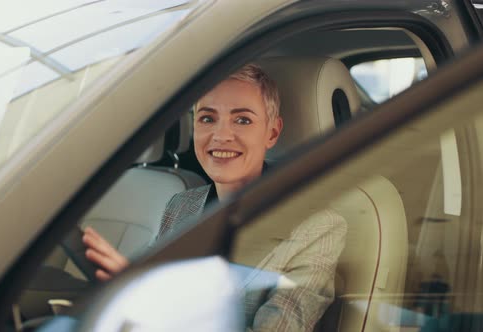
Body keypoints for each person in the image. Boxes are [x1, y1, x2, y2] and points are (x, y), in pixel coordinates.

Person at [82, 64, 347, 331]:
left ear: (272, 133)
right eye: (207, 118)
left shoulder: (317, 227)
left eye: (242, 120)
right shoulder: (181, 206)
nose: (221, 136)